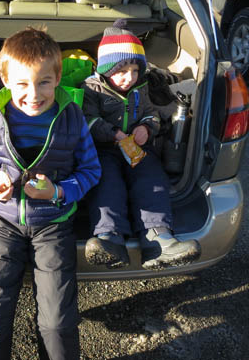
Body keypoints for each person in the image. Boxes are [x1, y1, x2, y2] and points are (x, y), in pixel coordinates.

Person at [0, 28, 101, 360]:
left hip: (54, 223)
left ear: (57, 77)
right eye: (22, 84)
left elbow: (91, 170)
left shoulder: (72, 116)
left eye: (44, 82)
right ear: (5, 80)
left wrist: (58, 191)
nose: (33, 94)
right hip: (2, 223)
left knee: (57, 322)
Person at [81, 24, 201, 270]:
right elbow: (88, 120)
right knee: (107, 183)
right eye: (122, 71)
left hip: (137, 148)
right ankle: (110, 238)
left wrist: (147, 128)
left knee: (152, 180)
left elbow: (151, 114)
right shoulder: (92, 89)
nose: (130, 77)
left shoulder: (140, 88)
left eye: (135, 70)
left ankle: (158, 239)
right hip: (104, 150)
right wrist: (113, 133)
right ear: (106, 70)